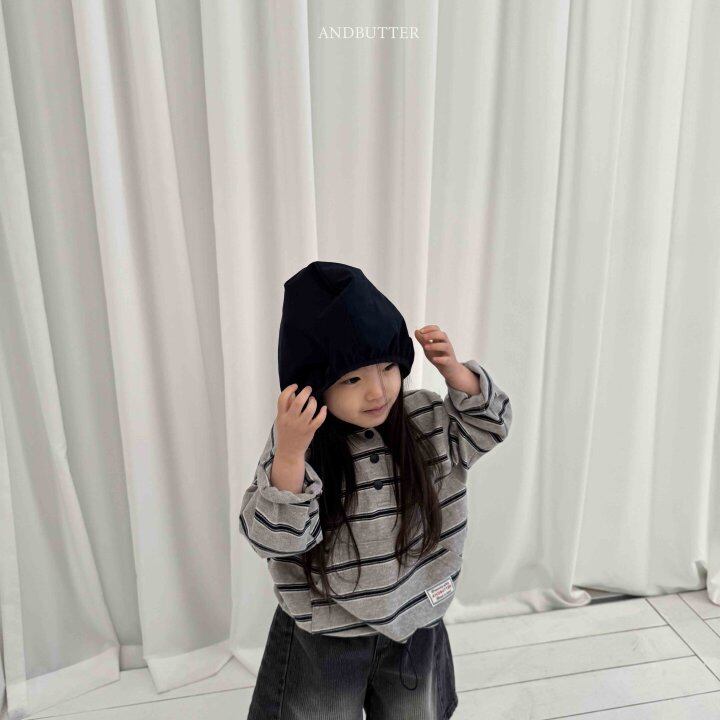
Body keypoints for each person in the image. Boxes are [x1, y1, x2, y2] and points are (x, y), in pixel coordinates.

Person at [241, 260, 513, 719]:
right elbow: (274, 540)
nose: (377, 392)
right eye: (352, 379)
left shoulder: (424, 419)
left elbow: (492, 426)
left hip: (417, 616)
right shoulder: (298, 444)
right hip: (325, 634)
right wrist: (289, 455)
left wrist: (456, 374)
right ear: (312, 387)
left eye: (388, 367)